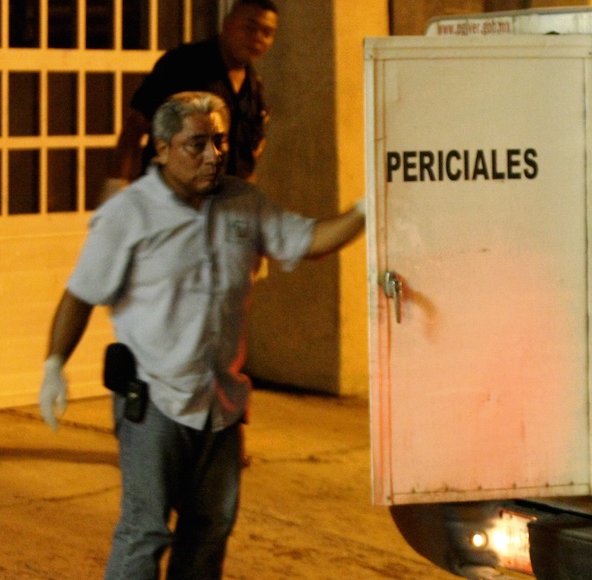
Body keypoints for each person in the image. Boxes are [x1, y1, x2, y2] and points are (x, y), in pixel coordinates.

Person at [37, 91, 364, 579]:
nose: (213, 155)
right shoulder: (130, 214)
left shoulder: (243, 202)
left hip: (220, 405)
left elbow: (308, 240)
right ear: (162, 149)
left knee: (210, 528)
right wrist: (54, 365)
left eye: (220, 141)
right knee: (146, 531)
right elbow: (81, 294)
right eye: (197, 144)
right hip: (155, 401)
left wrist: (364, 211)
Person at [106, 0, 278, 193]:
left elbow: (246, 163)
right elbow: (136, 125)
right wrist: (117, 185)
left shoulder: (253, 90)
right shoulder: (184, 64)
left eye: (267, 33)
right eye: (249, 28)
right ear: (227, 24)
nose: (257, 38)